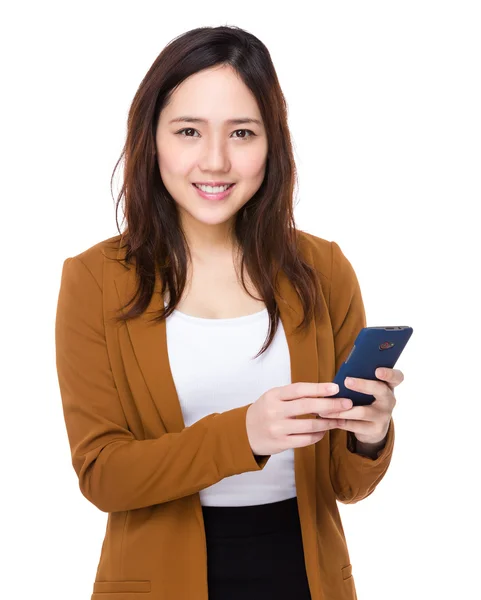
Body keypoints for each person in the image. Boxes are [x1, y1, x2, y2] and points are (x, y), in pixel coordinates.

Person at [55, 25, 402, 600]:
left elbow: (346, 484)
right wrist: (245, 433)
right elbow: (102, 475)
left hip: (304, 573)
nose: (214, 161)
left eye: (242, 132)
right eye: (188, 131)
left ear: (273, 144)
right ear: (152, 139)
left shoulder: (323, 267)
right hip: (158, 577)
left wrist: (372, 434)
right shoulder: (94, 278)